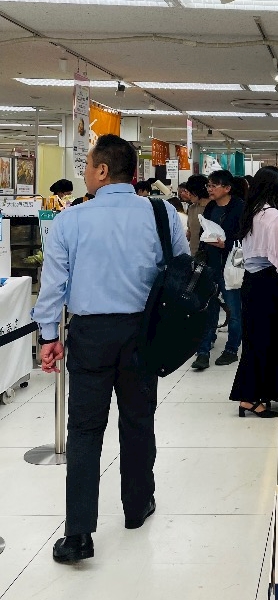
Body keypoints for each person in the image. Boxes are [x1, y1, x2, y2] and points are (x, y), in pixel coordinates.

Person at [32, 135, 189, 564]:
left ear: (102, 171)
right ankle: (137, 506)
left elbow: (54, 286)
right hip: (144, 331)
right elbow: (181, 269)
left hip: (90, 334)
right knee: (138, 420)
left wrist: (49, 336)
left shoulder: (70, 220)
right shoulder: (162, 213)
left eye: (87, 165)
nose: (84, 172)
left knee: (84, 430)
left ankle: (79, 534)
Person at [230, 167, 278, 416]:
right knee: (272, 339)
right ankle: (253, 397)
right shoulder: (273, 215)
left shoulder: (251, 212)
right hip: (270, 284)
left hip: (252, 281)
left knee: (255, 339)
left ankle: (254, 394)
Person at [192, 170, 244, 370]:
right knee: (208, 309)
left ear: (227, 188)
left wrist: (226, 244)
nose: (210, 189)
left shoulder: (239, 207)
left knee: (233, 310)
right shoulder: (211, 207)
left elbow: (245, 237)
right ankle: (203, 351)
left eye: (214, 185)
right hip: (211, 265)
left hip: (230, 265)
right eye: (209, 185)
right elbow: (204, 232)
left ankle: (231, 349)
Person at [179, 175, 210, 257]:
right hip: (193, 254)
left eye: (190, 192)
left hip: (208, 255)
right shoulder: (192, 208)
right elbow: (190, 232)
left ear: (198, 190)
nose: (188, 194)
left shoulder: (214, 207)